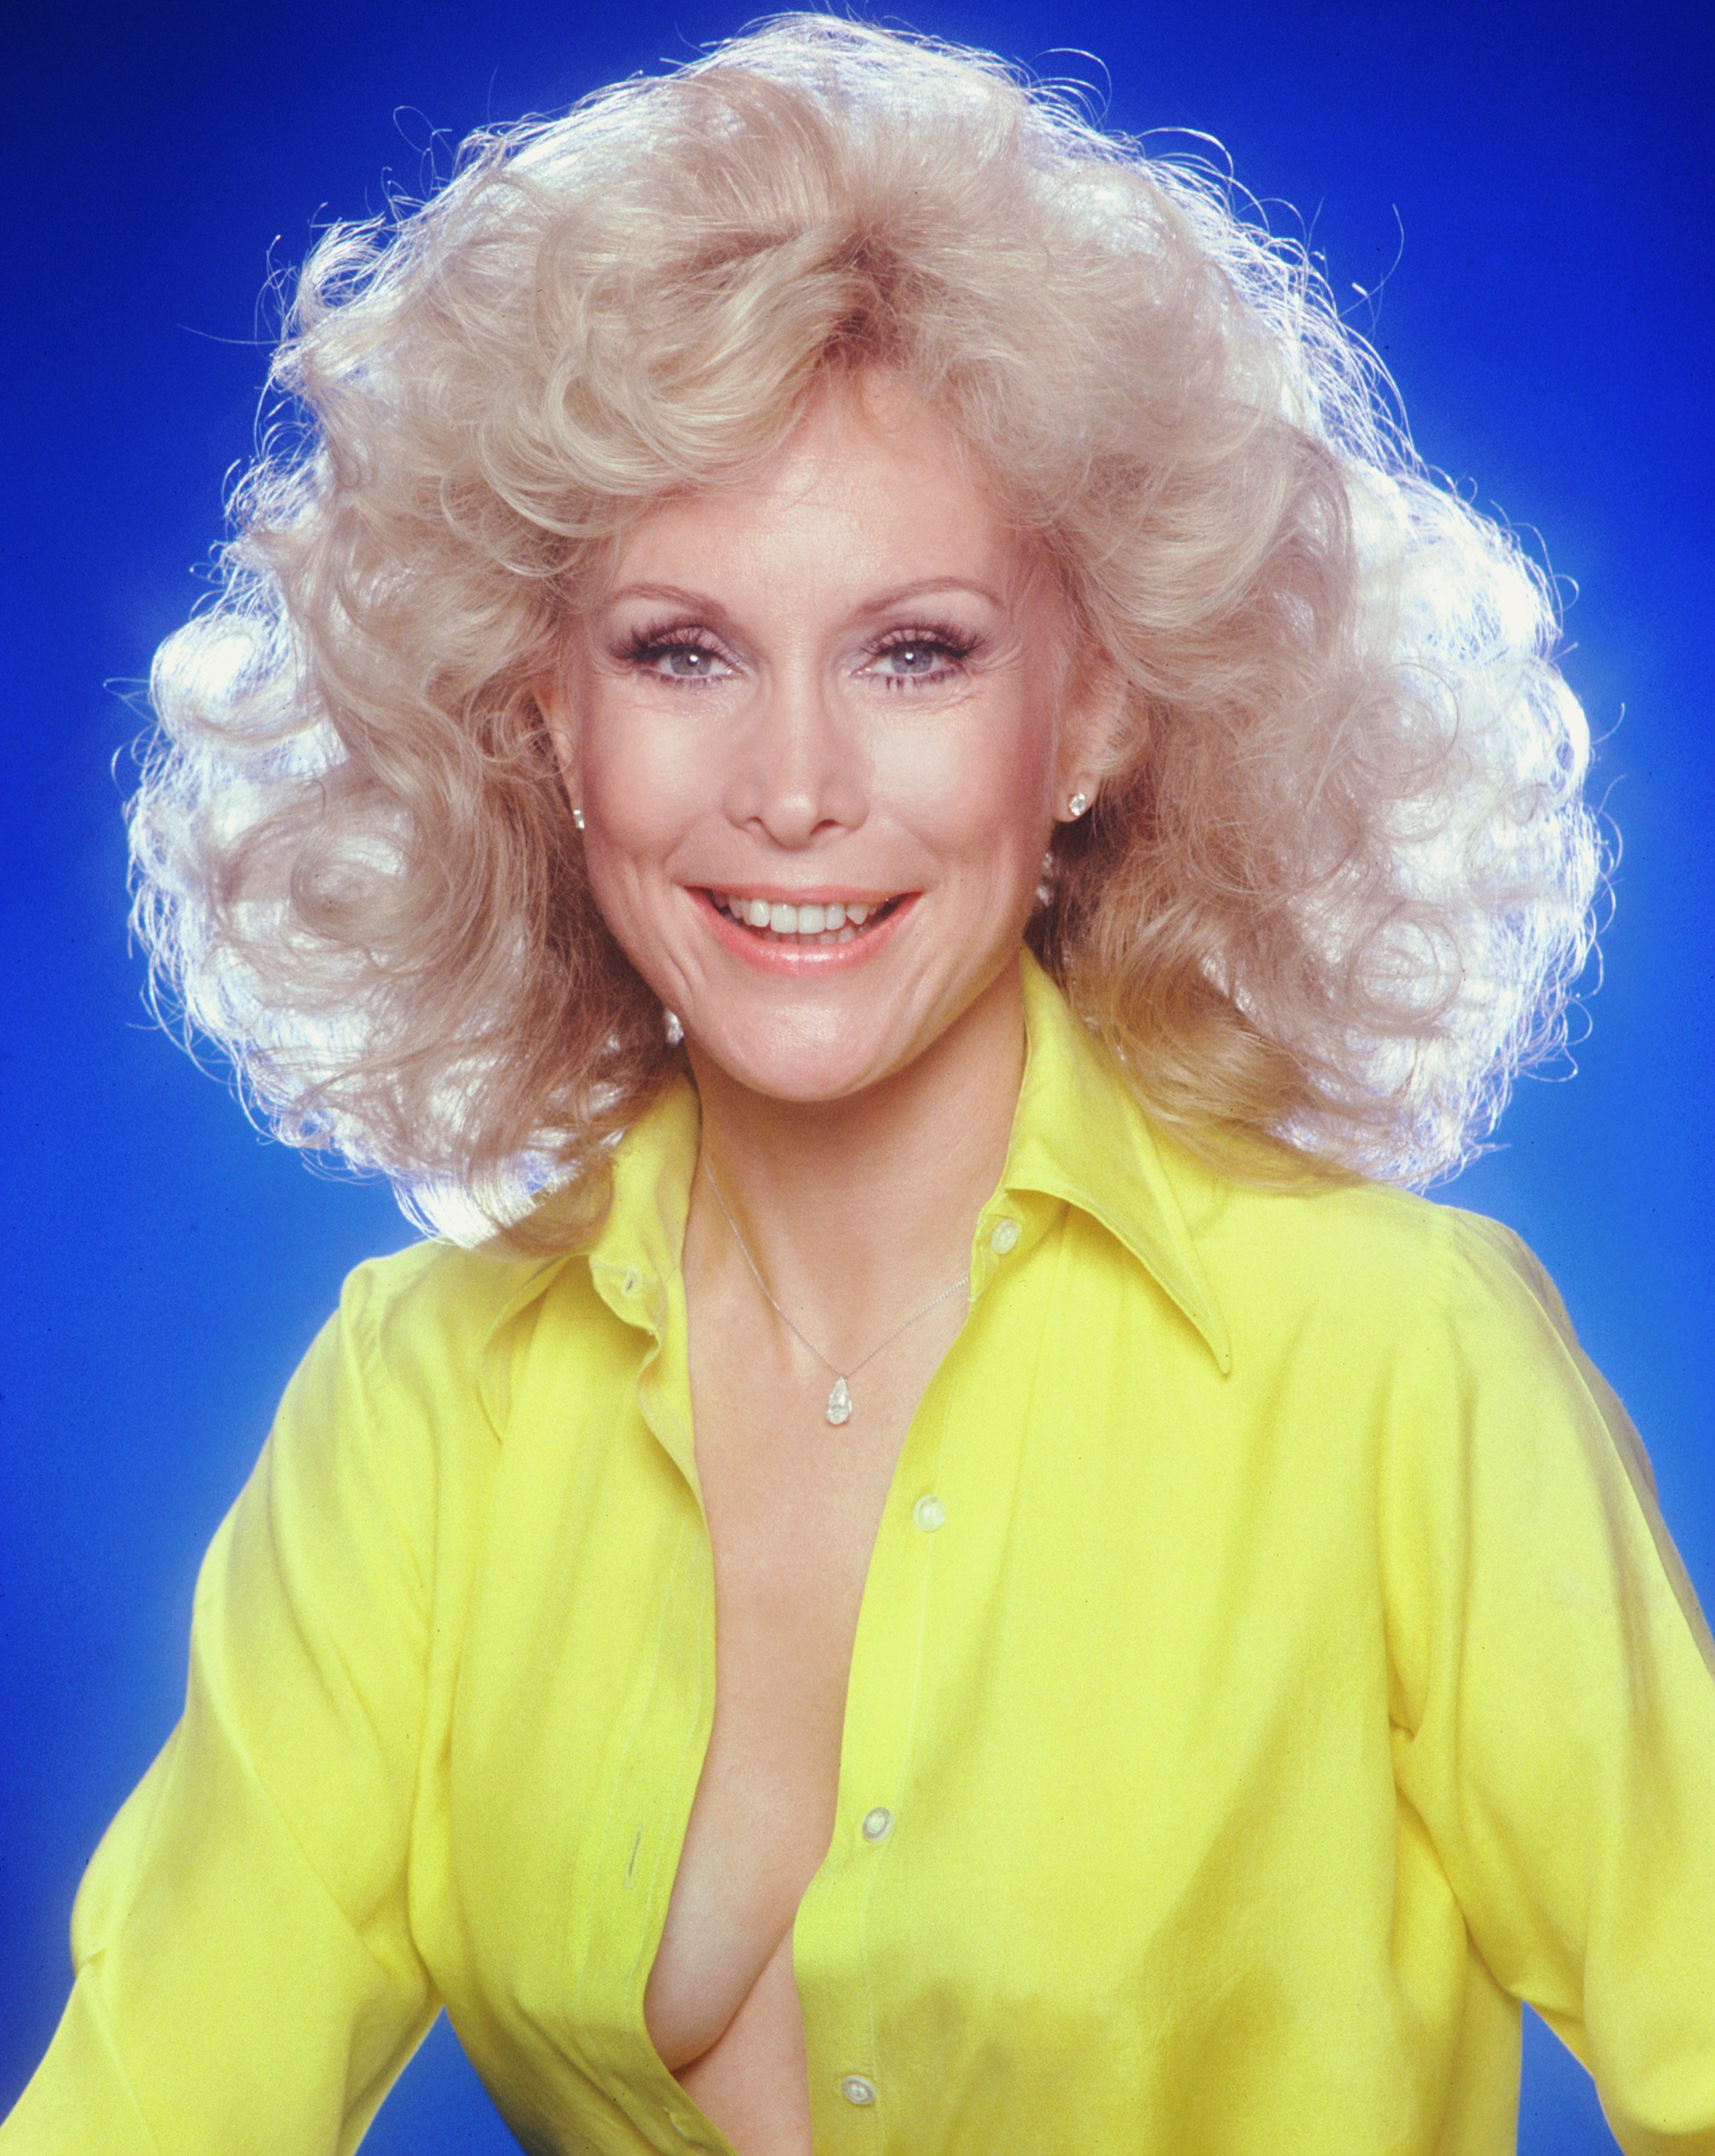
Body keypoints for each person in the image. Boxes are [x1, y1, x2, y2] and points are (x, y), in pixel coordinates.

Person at [6, 15, 1712, 2155]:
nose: (793, 790)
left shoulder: (1391, 1366)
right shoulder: (421, 1415)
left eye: (914, 652)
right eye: (680, 652)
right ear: (543, 716)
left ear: (1088, 710)